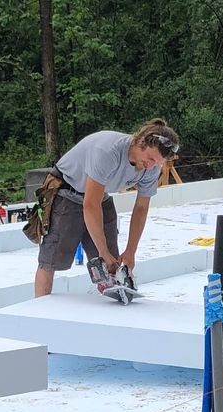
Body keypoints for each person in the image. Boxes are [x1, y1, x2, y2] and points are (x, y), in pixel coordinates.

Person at [34, 119, 181, 297]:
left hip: (100, 195)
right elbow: (90, 204)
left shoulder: (152, 167)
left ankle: (111, 298)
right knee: (50, 261)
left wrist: (131, 250)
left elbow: (141, 208)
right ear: (140, 142)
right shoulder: (108, 151)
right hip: (67, 190)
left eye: (157, 163)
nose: (151, 166)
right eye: (150, 159)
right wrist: (102, 251)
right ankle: (39, 304)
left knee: (112, 263)